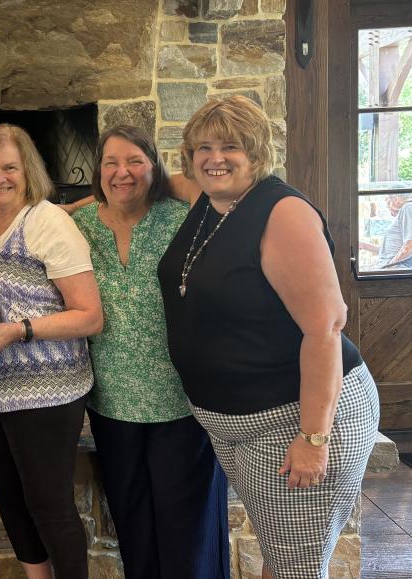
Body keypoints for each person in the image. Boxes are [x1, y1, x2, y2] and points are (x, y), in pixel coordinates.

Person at [157, 96, 380, 579]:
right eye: (203, 147)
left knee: (295, 567)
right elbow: (155, 184)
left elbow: (325, 327)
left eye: (230, 147)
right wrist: (80, 201)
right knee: (280, 558)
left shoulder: (282, 213)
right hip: (234, 423)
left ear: (256, 154)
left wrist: (314, 437)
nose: (215, 158)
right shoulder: (209, 199)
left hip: (293, 421)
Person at [71, 125, 229, 578]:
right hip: (111, 405)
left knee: (188, 533)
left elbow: (219, 193)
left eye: (135, 161)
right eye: (111, 163)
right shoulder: (77, 228)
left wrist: (163, 180)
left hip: (180, 402)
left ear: (155, 166)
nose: (122, 172)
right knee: (134, 529)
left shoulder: (182, 215)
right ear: (97, 171)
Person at [0, 123, 103, 579]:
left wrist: (19, 330)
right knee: (9, 499)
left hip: (48, 394)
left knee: (48, 504)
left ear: (28, 170)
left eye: (10, 168)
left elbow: (90, 315)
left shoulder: (46, 221)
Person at [377, 193, 412, 269]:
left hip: (398, 269)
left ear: (396, 200)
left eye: (388, 201)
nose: (387, 206)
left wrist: (390, 266)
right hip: (396, 267)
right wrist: (364, 245)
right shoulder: (406, 210)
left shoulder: (409, 207)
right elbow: (390, 251)